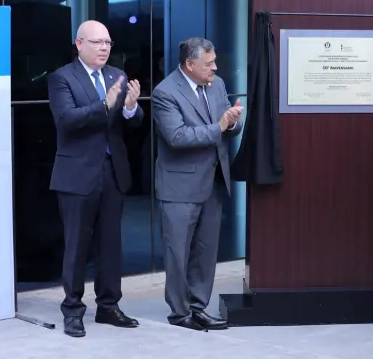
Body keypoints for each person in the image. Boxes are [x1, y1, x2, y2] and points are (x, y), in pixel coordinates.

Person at [47, 20, 144, 337]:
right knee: (77, 245)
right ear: (79, 43)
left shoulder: (117, 76)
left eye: (108, 43)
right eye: (97, 42)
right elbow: (67, 120)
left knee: (110, 244)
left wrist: (130, 108)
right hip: (77, 174)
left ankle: (109, 306)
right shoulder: (62, 78)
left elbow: (133, 122)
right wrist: (104, 105)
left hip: (112, 170)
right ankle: (73, 310)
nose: (104, 48)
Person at [152, 37, 243, 331]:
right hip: (179, 188)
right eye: (209, 63)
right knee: (178, 253)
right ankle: (180, 313)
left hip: (213, 183)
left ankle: (199, 306)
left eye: (214, 61)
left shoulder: (216, 84)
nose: (215, 67)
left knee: (205, 252)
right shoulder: (165, 92)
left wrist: (234, 121)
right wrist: (220, 126)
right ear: (190, 65)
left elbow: (229, 119)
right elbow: (177, 137)